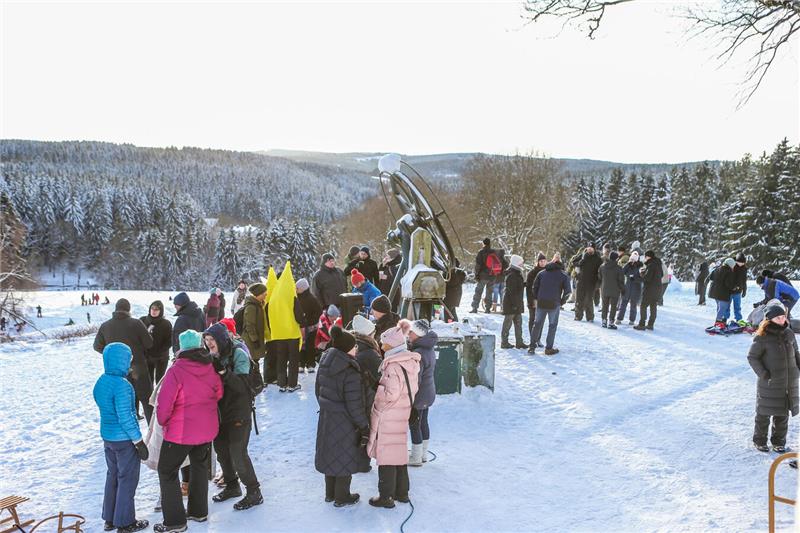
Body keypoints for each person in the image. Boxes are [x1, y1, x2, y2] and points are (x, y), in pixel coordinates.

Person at [154, 330, 223, 533]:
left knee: (166, 471)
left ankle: (175, 521)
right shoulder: (209, 365)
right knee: (199, 468)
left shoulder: (176, 370)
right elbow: (218, 392)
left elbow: (164, 404)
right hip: (206, 429)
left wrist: (162, 421)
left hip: (181, 432)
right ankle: (198, 511)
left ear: (181, 347)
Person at [203, 324, 263, 511]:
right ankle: (232, 486)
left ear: (221, 339)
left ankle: (254, 491)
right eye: (206, 341)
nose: (209, 344)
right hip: (219, 412)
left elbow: (243, 387)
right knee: (222, 450)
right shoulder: (211, 356)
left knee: (238, 452)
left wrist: (224, 372)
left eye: (212, 340)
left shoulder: (238, 354)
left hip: (239, 411)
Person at [94, 342, 150, 533]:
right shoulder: (122, 386)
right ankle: (125, 523)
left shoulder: (101, 381)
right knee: (127, 479)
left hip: (107, 438)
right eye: (128, 360)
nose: (130, 364)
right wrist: (139, 441)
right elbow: (126, 417)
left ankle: (110, 518)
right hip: (124, 441)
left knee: (113, 476)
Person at [314, 326, 371, 507]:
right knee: (344, 457)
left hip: (326, 417)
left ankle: (330, 493)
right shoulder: (349, 370)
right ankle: (342, 496)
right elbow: (354, 404)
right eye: (354, 347)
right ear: (347, 349)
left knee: (331, 454)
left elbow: (318, 391)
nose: (356, 350)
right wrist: (363, 425)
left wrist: (327, 406)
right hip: (344, 421)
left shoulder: (326, 362)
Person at [367, 322, 421, 508]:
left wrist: (377, 394)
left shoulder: (392, 367)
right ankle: (402, 493)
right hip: (402, 412)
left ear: (393, 345)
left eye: (385, 344)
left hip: (389, 415)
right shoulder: (410, 363)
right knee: (398, 453)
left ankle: (386, 497)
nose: (382, 346)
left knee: (386, 456)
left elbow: (389, 395)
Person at [747, 304, 800, 453]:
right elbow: (752, 357)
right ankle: (760, 440)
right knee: (764, 412)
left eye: (783, 316)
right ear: (769, 319)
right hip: (770, 381)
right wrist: (764, 374)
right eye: (778, 317)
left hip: (788, 381)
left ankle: (778, 441)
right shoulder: (762, 336)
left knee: (782, 413)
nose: (782, 319)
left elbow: (796, 352)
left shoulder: (789, 333)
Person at [94, 299, 154, 422]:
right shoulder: (136, 323)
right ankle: (153, 433)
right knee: (146, 399)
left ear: (115, 309)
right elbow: (149, 343)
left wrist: (112, 355)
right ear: (128, 309)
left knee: (123, 403)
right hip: (138, 367)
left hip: (118, 371)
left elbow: (97, 346)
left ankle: (129, 437)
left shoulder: (105, 326)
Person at [266, 265, 305, 392]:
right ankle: (292, 384)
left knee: (281, 359)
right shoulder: (291, 297)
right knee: (293, 360)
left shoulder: (273, 298)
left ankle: (282, 383)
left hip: (278, 334)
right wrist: (303, 322)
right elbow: (299, 316)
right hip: (292, 334)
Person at [405, 319, 437, 467]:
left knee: (414, 424)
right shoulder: (428, 348)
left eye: (411, 331)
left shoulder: (418, 353)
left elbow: (415, 379)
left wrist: (409, 396)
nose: (408, 334)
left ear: (417, 334)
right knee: (423, 422)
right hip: (428, 391)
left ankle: (416, 457)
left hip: (419, 394)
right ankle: (423, 454)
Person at [530, 255, 572, 355]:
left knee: (537, 324)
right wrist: (561, 302)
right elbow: (568, 292)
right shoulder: (563, 275)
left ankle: (532, 347)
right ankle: (548, 348)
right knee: (552, 326)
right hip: (554, 303)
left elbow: (534, 287)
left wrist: (537, 298)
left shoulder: (542, 273)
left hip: (541, 302)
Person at [352, 314, 381, 413]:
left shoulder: (352, 346)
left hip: (356, 399)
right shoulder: (370, 353)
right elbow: (381, 376)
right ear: (368, 335)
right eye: (374, 333)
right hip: (368, 400)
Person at [141, 301, 173, 386]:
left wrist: (160, 351)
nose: (154, 311)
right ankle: (150, 398)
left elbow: (170, 340)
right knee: (148, 380)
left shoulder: (166, 323)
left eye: (157, 309)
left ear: (161, 311)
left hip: (161, 357)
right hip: (147, 356)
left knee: (160, 381)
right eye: (152, 308)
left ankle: (160, 398)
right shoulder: (143, 320)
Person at [500, 254, 527, 349]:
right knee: (508, 323)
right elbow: (512, 291)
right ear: (516, 263)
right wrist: (515, 304)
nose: (522, 264)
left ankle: (519, 342)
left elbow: (517, 287)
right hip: (511, 304)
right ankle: (504, 342)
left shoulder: (516, 273)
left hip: (516, 303)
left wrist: (524, 284)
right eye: (521, 262)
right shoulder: (512, 274)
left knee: (518, 323)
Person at [242, 283, 268, 379]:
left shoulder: (257, 305)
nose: (266, 295)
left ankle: (255, 380)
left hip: (254, 338)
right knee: (253, 361)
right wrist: (255, 339)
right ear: (258, 294)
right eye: (264, 294)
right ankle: (254, 381)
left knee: (255, 361)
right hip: (251, 340)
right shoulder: (251, 307)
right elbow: (249, 325)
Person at [296, 278, 323, 373]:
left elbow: (319, 311)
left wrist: (310, 320)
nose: (296, 289)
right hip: (301, 326)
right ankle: (301, 363)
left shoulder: (312, 298)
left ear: (303, 288)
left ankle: (310, 364)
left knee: (310, 345)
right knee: (301, 345)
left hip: (311, 326)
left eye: (297, 288)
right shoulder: (296, 298)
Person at [571, 243, 602, 322]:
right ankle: (578, 316)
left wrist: (598, 282)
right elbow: (573, 262)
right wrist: (580, 262)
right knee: (579, 299)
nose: (590, 249)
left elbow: (601, 271)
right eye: (588, 248)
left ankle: (590, 317)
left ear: (594, 249)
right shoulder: (582, 255)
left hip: (591, 282)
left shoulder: (598, 258)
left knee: (588, 300)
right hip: (581, 281)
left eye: (591, 248)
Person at [634, 251, 664, 331]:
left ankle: (642, 324)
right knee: (653, 306)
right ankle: (651, 324)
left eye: (646, 256)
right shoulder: (658, 264)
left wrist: (639, 277)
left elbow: (647, 278)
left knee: (643, 306)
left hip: (650, 289)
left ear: (649, 257)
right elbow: (661, 275)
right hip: (657, 289)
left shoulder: (651, 265)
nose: (645, 258)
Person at [470, 238, 498, 314]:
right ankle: (488, 308)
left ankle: (475, 308)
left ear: (483, 244)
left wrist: (476, 274)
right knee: (489, 292)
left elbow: (478, 265)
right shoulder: (494, 252)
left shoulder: (481, 252)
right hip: (492, 276)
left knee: (478, 291)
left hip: (483, 276)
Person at [525, 252, 548, 346]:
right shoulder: (532, 273)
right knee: (533, 319)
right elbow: (528, 288)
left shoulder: (548, 272)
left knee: (541, 320)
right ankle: (533, 339)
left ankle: (538, 339)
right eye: (541, 261)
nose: (542, 263)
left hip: (544, 300)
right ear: (537, 262)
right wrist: (531, 301)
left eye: (544, 261)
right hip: (533, 300)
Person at [599, 251, 625, 329]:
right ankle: (611, 322)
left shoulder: (602, 267)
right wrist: (623, 289)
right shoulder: (619, 268)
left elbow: (599, 277)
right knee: (613, 306)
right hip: (615, 290)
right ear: (616, 258)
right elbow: (621, 281)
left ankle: (604, 321)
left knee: (605, 305)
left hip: (604, 289)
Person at [708, 258, 736, 328]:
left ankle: (720, 322)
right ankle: (717, 323)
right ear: (731, 265)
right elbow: (728, 284)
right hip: (722, 293)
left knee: (719, 307)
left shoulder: (717, 268)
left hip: (714, 291)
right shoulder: (728, 271)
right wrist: (734, 287)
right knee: (723, 308)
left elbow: (710, 278)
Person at [731, 253, 748, 323]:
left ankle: (739, 319)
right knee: (726, 307)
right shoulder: (732, 266)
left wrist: (744, 290)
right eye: (740, 262)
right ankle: (724, 319)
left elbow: (744, 280)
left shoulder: (744, 268)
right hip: (730, 290)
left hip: (738, 291)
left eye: (743, 263)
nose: (741, 264)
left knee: (737, 307)